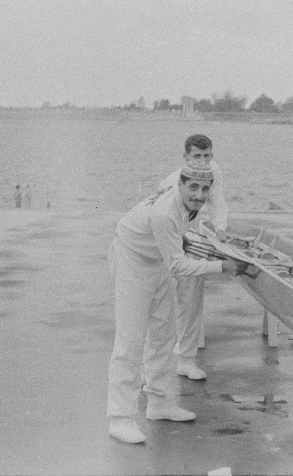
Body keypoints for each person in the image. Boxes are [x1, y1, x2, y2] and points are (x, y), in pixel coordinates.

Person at [107, 160, 245, 444]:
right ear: (179, 185)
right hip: (131, 259)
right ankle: (120, 418)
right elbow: (179, 266)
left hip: (156, 259)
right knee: (130, 342)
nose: (199, 194)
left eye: (205, 189)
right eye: (193, 187)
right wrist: (221, 267)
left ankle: (158, 403)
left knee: (164, 334)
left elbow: (179, 242)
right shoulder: (164, 214)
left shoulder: (190, 206)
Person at [145, 134, 228, 382]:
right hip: (165, 242)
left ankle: (186, 360)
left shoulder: (214, 172)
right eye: (196, 156)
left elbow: (218, 202)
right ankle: (145, 367)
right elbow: (161, 221)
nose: (203, 161)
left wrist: (221, 229)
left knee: (191, 301)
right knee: (161, 308)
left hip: (192, 236)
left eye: (207, 156)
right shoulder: (172, 182)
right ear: (185, 157)